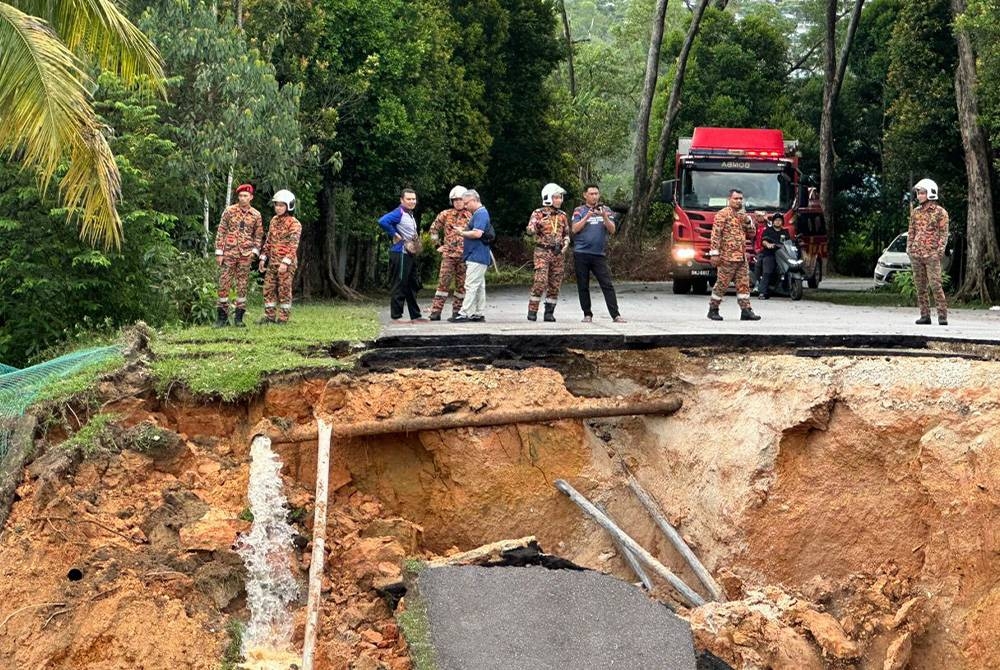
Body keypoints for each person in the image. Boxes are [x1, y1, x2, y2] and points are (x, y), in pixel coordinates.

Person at [570, 184, 626, 323]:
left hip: (598, 254)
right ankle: (587, 314)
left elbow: (612, 230)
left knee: (607, 284)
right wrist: (587, 216)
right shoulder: (579, 210)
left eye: (596, 194)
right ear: (585, 195)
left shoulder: (606, 210)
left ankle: (615, 315)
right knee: (583, 285)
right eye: (591, 194)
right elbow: (575, 229)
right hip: (581, 253)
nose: (594, 196)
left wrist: (604, 217)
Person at [214, 183, 263, 327]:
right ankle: (222, 318)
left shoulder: (256, 215)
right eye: (240, 196)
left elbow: (258, 235)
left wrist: (255, 251)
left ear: (251, 197)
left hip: (246, 254)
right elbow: (221, 231)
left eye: (245, 196)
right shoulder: (229, 211)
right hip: (229, 252)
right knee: (224, 283)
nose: (242, 198)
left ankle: (239, 319)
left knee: (242, 285)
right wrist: (219, 252)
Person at [708, 189, 760, 321]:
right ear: (729, 199)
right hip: (727, 257)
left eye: (741, 199)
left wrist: (748, 221)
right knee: (722, 284)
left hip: (741, 257)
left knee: (744, 284)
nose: (739, 201)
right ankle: (713, 309)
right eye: (736, 198)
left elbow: (752, 234)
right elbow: (716, 234)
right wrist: (714, 254)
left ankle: (746, 310)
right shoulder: (722, 214)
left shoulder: (743, 216)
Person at [526, 183, 571, 321]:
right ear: (548, 198)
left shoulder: (562, 216)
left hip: (558, 253)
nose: (560, 200)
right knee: (540, 281)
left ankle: (549, 312)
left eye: (561, 197)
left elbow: (566, 234)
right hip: (542, 252)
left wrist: (566, 243)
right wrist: (535, 227)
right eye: (557, 197)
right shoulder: (538, 213)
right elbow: (530, 229)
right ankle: (532, 310)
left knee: (555, 284)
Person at [378, 188, 425, 322]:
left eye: (413, 199)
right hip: (400, 253)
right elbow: (382, 221)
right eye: (409, 199)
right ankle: (396, 317)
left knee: (412, 284)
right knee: (399, 284)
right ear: (402, 200)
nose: (412, 201)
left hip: (409, 253)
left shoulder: (409, 214)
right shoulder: (398, 213)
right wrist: (394, 234)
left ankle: (415, 315)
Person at [908, 178, 949, 325]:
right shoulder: (916, 212)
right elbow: (911, 231)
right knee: (920, 287)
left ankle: (942, 316)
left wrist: (939, 252)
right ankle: (925, 315)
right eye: (918, 193)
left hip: (932, 255)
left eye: (922, 193)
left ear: (931, 193)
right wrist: (910, 248)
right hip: (917, 254)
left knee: (936, 285)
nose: (919, 196)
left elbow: (944, 233)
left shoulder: (940, 213)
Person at [258, 190, 302, 324]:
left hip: (286, 263)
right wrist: (263, 258)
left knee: (284, 290)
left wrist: (286, 262)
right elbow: (269, 241)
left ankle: (283, 318)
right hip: (273, 261)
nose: (278, 208)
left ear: (289, 206)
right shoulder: (274, 221)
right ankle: (269, 316)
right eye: (276, 205)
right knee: (268, 288)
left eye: (281, 205)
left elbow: (293, 245)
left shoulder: (294, 223)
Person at [427, 186, 470, 321]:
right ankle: (436, 311)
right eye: (455, 200)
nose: (458, 202)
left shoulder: (471, 215)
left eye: (460, 199)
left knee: (461, 285)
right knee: (443, 283)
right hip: (449, 256)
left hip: (464, 256)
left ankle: (457, 311)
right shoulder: (445, 214)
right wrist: (437, 246)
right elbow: (433, 229)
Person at [449, 189, 491, 322]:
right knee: (479, 286)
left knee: (471, 285)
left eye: (466, 203)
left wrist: (462, 233)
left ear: (474, 200)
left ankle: (464, 312)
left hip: (476, 255)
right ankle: (479, 312)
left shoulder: (480, 214)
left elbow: (477, 233)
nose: (465, 206)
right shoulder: (480, 213)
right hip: (479, 255)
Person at [757, 213, 789, 299]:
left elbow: (789, 242)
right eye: (776, 220)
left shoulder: (785, 232)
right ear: (773, 221)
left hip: (782, 255)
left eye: (780, 220)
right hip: (770, 254)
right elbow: (764, 241)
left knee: (789, 269)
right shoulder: (768, 230)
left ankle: (787, 288)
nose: (778, 222)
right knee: (767, 271)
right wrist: (768, 245)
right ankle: (762, 292)